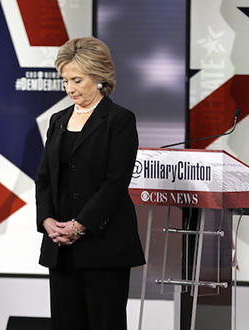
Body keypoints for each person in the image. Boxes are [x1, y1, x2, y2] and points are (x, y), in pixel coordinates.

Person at [35, 37, 146, 330]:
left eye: (76, 80)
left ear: (98, 78)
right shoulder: (57, 120)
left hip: (104, 246)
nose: (69, 88)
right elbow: (44, 178)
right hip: (61, 249)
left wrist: (79, 225)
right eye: (65, 80)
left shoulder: (119, 120)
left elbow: (115, 183)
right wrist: (47, 221)